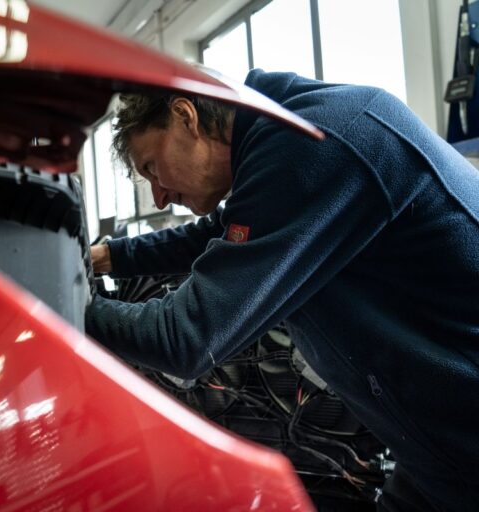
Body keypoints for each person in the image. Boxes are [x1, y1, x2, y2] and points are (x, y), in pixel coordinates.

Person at [85, 69, 479, 511]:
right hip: (432, 443)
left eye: (152, 168)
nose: (158, 197)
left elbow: (184, 338)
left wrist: (60, 307)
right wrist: (107, 256)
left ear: (185, 116)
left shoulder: (313, 146)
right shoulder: (290, 132)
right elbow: (218, 234)